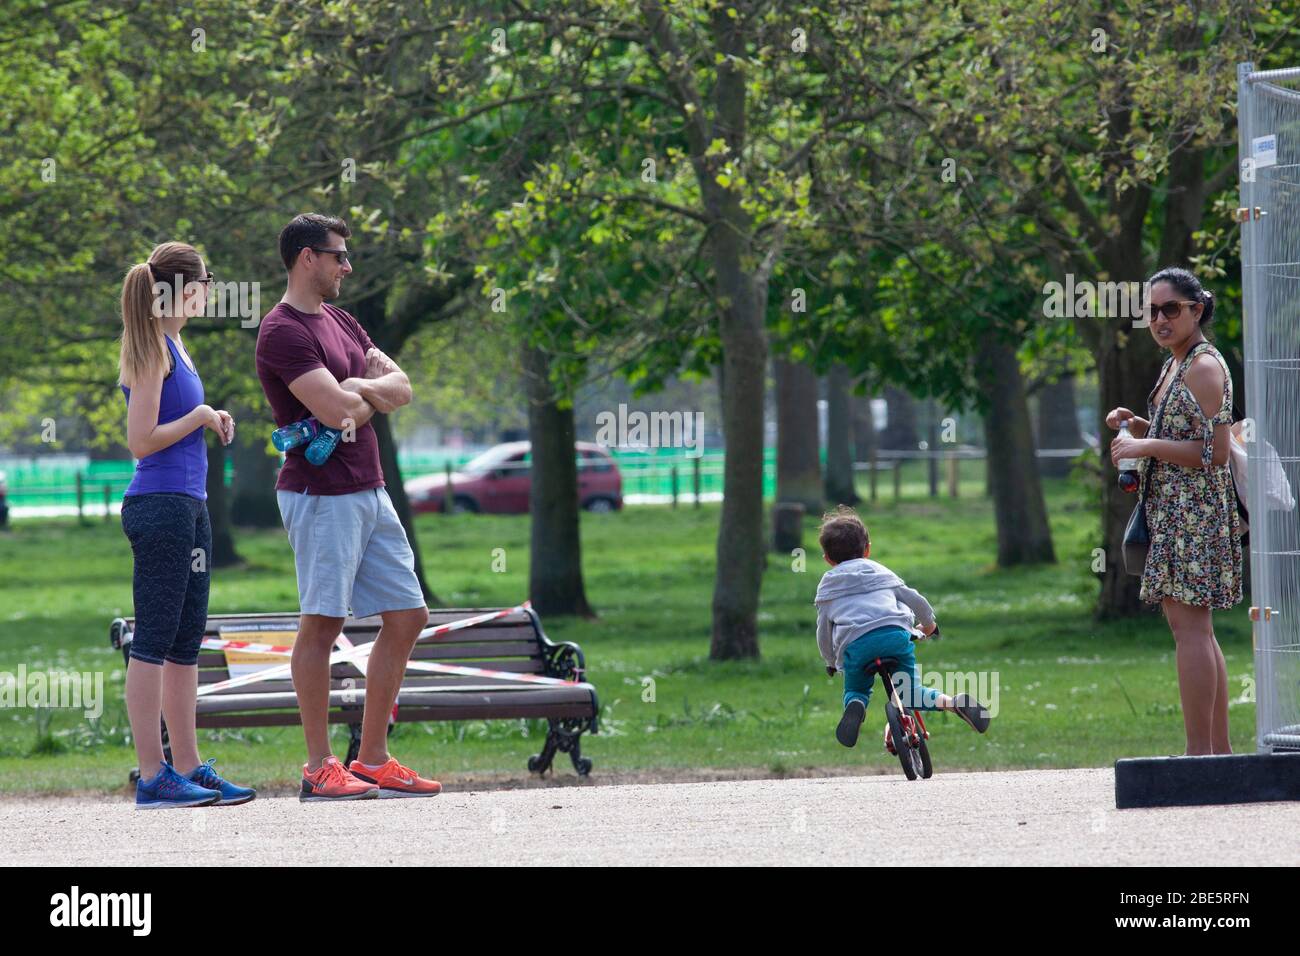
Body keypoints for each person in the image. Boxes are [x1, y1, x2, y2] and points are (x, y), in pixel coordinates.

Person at [255, 213, 439, 801]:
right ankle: (317, 766)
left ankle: (373, 759)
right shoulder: (281, 331)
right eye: (338, 256)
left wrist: (354, 392)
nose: (347, 266)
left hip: (369, 485)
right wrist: (360, 394)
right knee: (324, 623)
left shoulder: (341, 319)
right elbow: (337, 412)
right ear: (308, 258)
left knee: (409, 615)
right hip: (318, 494)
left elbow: (402, 387)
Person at [119, 241, 255, 808]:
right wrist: (199, 416)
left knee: (185, 644)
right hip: (160, 506)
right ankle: (153, 776)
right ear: (181, 287)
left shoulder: (179, 345)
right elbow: (140, 441)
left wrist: (208, 415)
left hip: (189, 505)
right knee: (151, 642)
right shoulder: (150, 347)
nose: (212, 289)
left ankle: (190, 766)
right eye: (206, 279)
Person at [1107, 266, 1242, 756]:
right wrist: (1136, 426)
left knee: (1191, 631)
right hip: (1173, 513)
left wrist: (1146, 448)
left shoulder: (1204, 367)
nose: (1160, 319)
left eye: (1170, 309)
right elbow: (1179, 431)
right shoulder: (1175, 364)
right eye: (1152, 311)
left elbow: (1216, 452)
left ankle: (1198, 755)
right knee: (1196, 631)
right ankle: (1218, 754)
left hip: (1196, 516)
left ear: (1196, 309)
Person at [815, 505, 991, 748]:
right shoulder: (881, 572)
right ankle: (954, 703)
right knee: (911, 692)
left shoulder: (828, 587)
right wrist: (928, 625)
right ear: (867, 549)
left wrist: (830, 661)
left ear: (827, 558)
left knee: (857, 689)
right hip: (895, 637)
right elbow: (915, 599)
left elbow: (823, 631)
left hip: (857, 646)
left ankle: (855, 706)